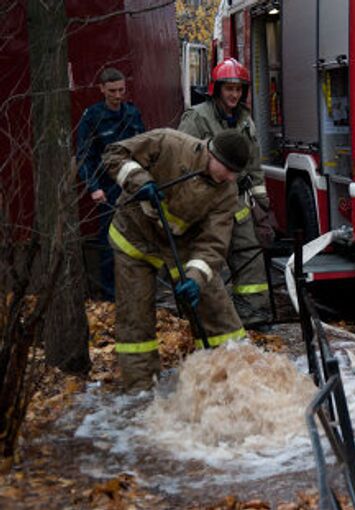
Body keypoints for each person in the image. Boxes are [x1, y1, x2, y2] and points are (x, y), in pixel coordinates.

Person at [102, 128, 250, 391]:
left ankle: (233, 379)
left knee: (217, 310)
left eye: (235, 173)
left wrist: (195, 279)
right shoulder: (169, 143)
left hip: (181, 245)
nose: (229, 177)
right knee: (135, 318)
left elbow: (213, 243)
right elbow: (115, 153)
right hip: (135, 239)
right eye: (226, 168)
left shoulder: (227, 190)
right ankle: (141, 389)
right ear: (210, 152)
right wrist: (139, 180)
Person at [177, 57, 272, 331]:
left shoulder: (244, 119)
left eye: (239, 89)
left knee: (249, 257)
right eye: (229, 89)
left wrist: (263, 207)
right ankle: (205, 321)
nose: (234, 94)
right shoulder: (197, 117)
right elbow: (185, 161)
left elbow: (253, 163)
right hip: (207, 201)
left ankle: (254, 317)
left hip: (239, 202)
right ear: (216, 89)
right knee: (207, 258)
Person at [76, 67, 145, 301]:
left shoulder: (132, 114)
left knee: (136, 240)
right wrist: (94, 188)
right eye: (113, 90)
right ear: (102, 89)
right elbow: (85, 156)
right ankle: (110, 296)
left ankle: (136, 291)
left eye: (122, 90)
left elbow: (144, 148)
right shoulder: (93, 117)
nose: (118, 95)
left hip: (132, 187)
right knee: (109, 244)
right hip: (107, 189)